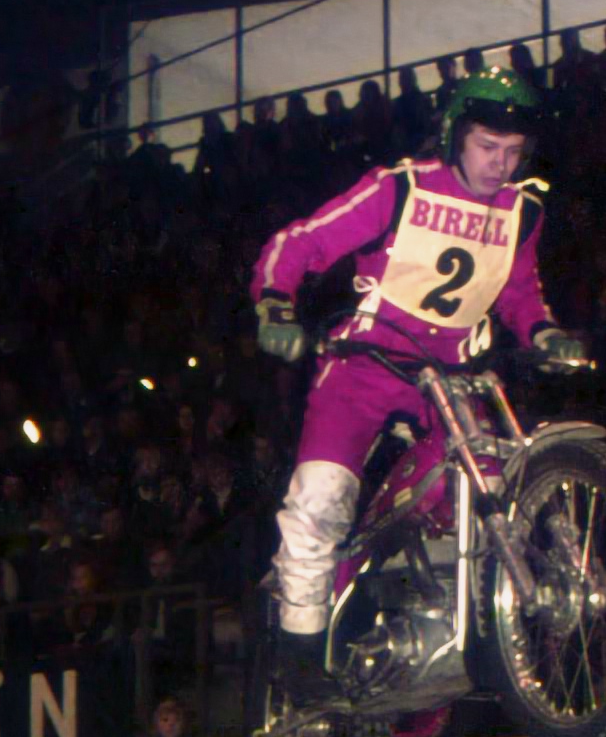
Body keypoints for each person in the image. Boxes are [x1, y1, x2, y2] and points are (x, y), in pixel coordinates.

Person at [249, 66, 583, 699]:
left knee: (488, 487)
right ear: (455, 136)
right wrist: (275, 303)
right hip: (365, 366)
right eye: (488, 146)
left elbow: (517, 289)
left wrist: (543, 332)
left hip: (453, 381)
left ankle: (480, 627)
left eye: (513, 151)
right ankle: (298, 652)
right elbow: (302, 242)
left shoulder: (523, 211)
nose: (500, 164)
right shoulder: (397, 188)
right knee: (319, 498)